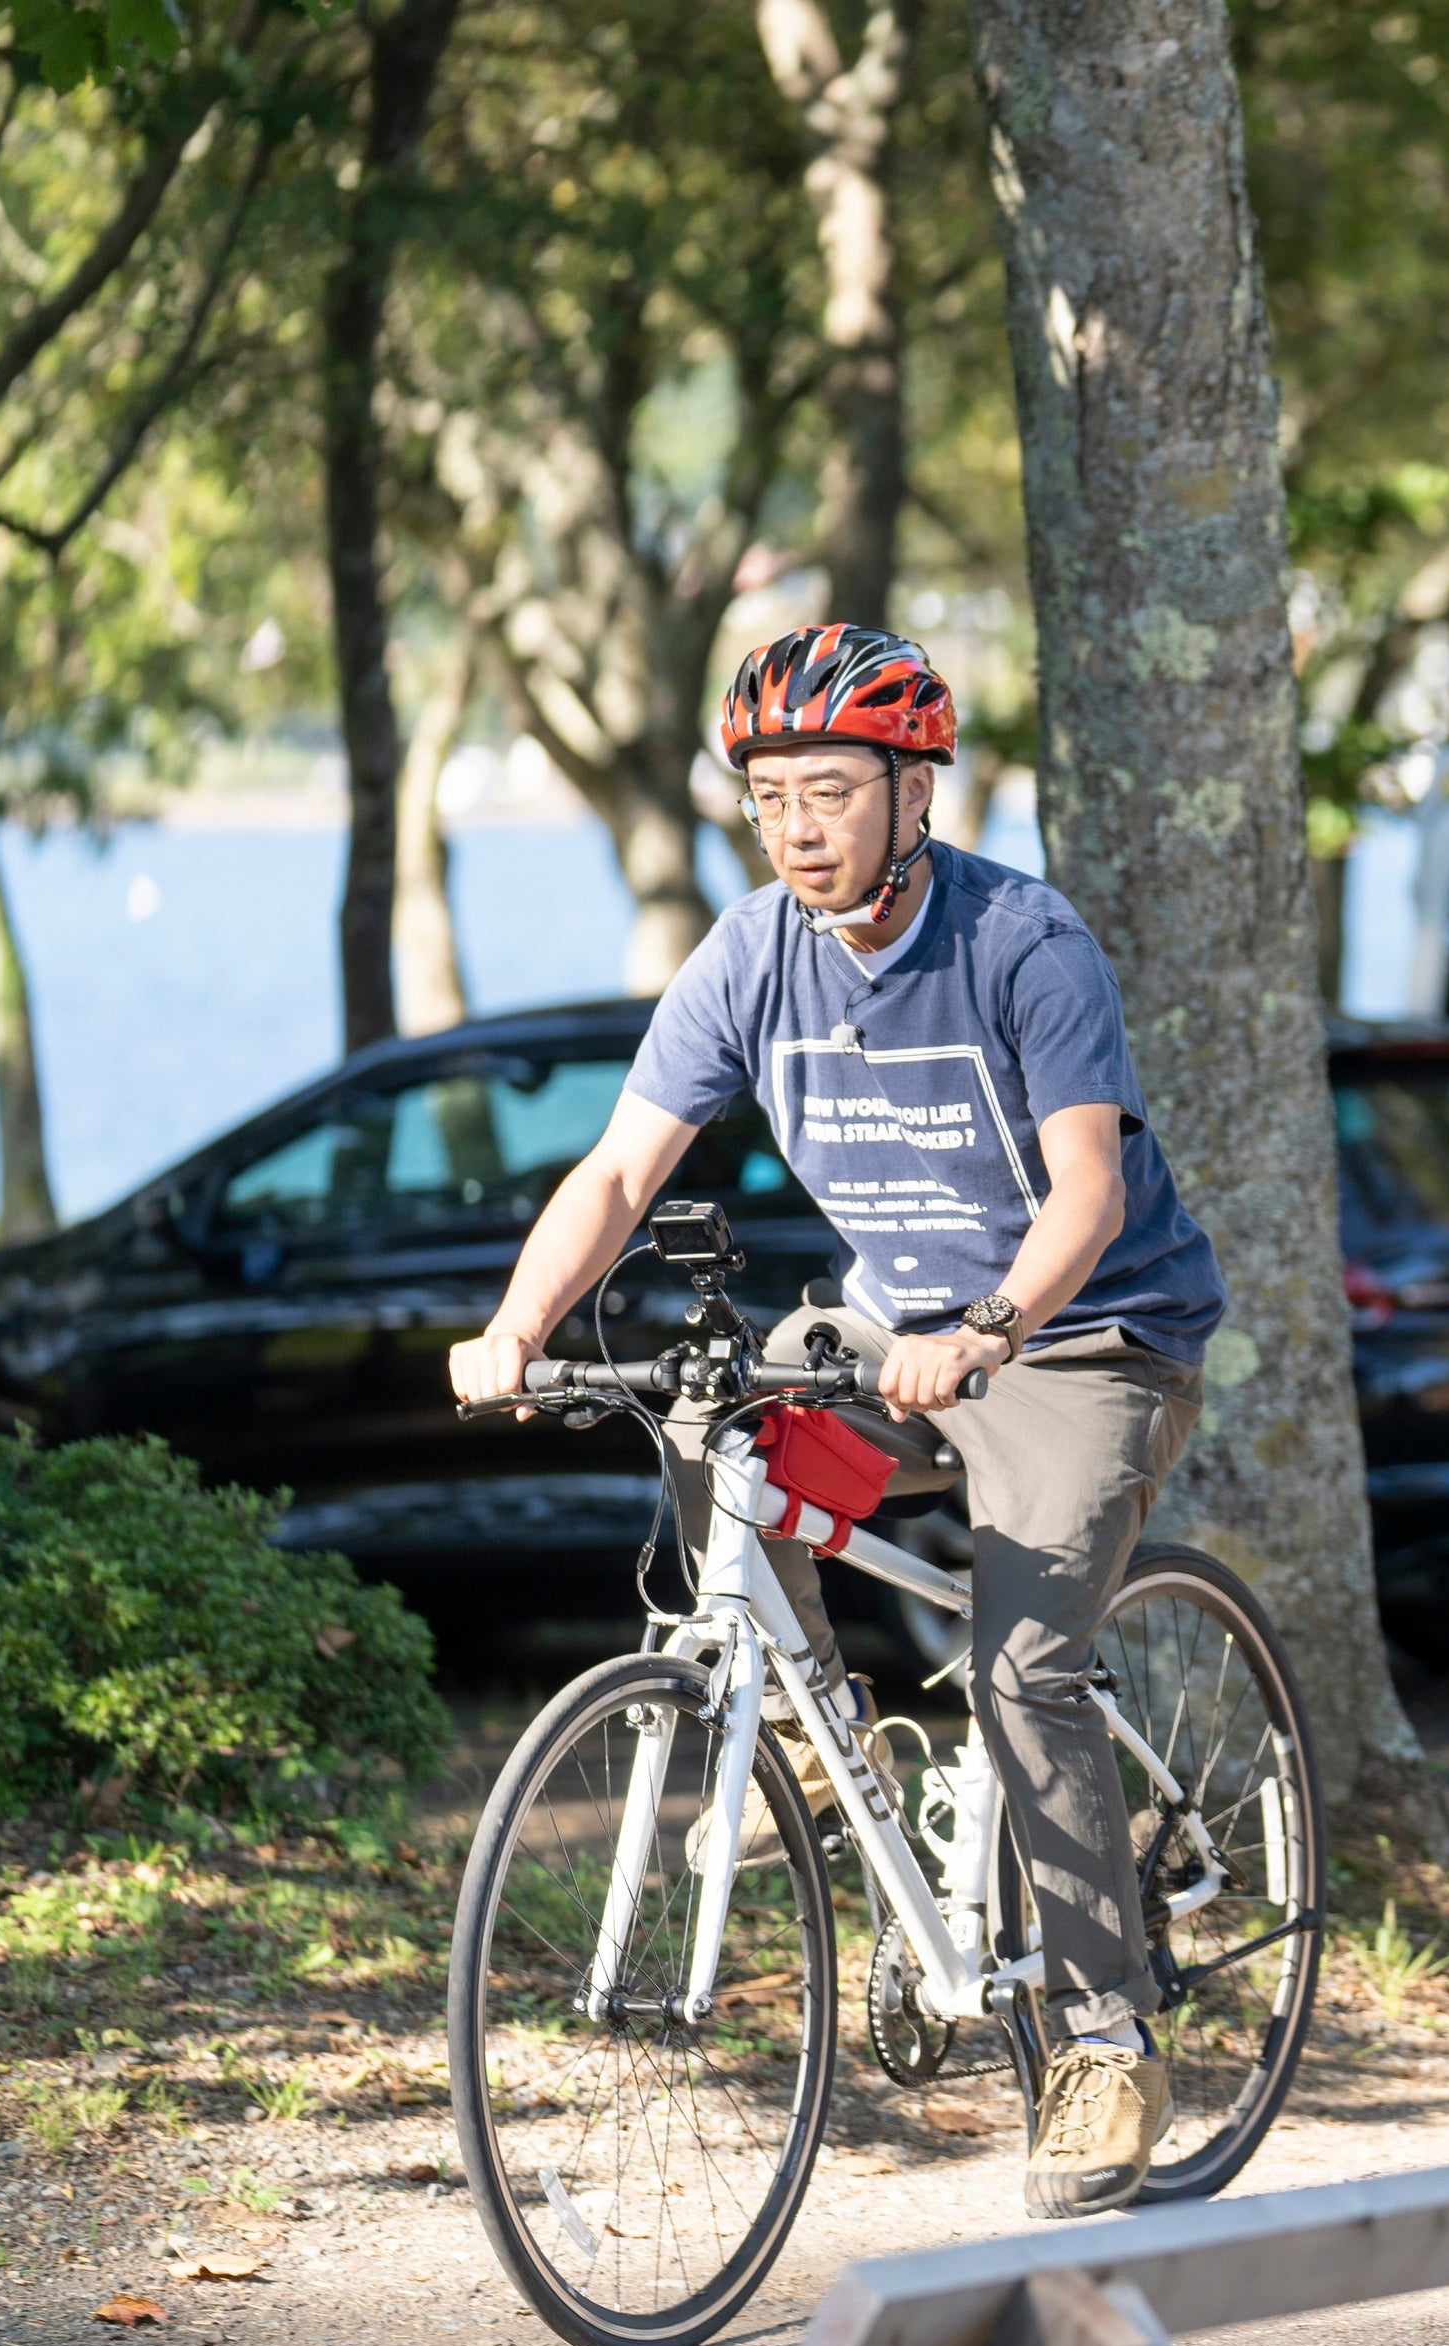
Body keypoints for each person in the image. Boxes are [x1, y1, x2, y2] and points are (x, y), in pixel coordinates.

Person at [447, 622, 1226, 2220]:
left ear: (913, 788)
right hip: (887, 1335)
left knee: (1024, 1669)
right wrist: (516, 1330)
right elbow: (614, 1172)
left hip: (1086, 1336)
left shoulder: (1025, 941)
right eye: (772, 797)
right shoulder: (748, 955)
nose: (800, 825)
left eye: (832, 790)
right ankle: (808, 1732)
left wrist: (995, 1325)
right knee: (708, 1407)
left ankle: (1107, 2038)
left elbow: (1085, 1188)